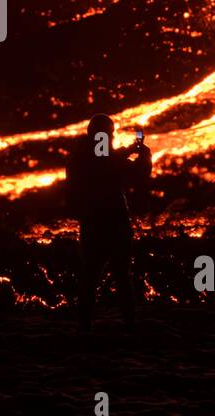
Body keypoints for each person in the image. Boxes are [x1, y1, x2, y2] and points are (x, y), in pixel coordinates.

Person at [64, 114, 152, 331]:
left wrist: (128, 151)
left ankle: (84, 327)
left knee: (89, 276)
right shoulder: (99, 154)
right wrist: (144, 156)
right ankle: (129, 325)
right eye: (109, 133)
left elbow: (105, 160)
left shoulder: (80, 154)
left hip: (91, 221)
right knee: (121, 275)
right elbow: (130, 172)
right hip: (113, 220)